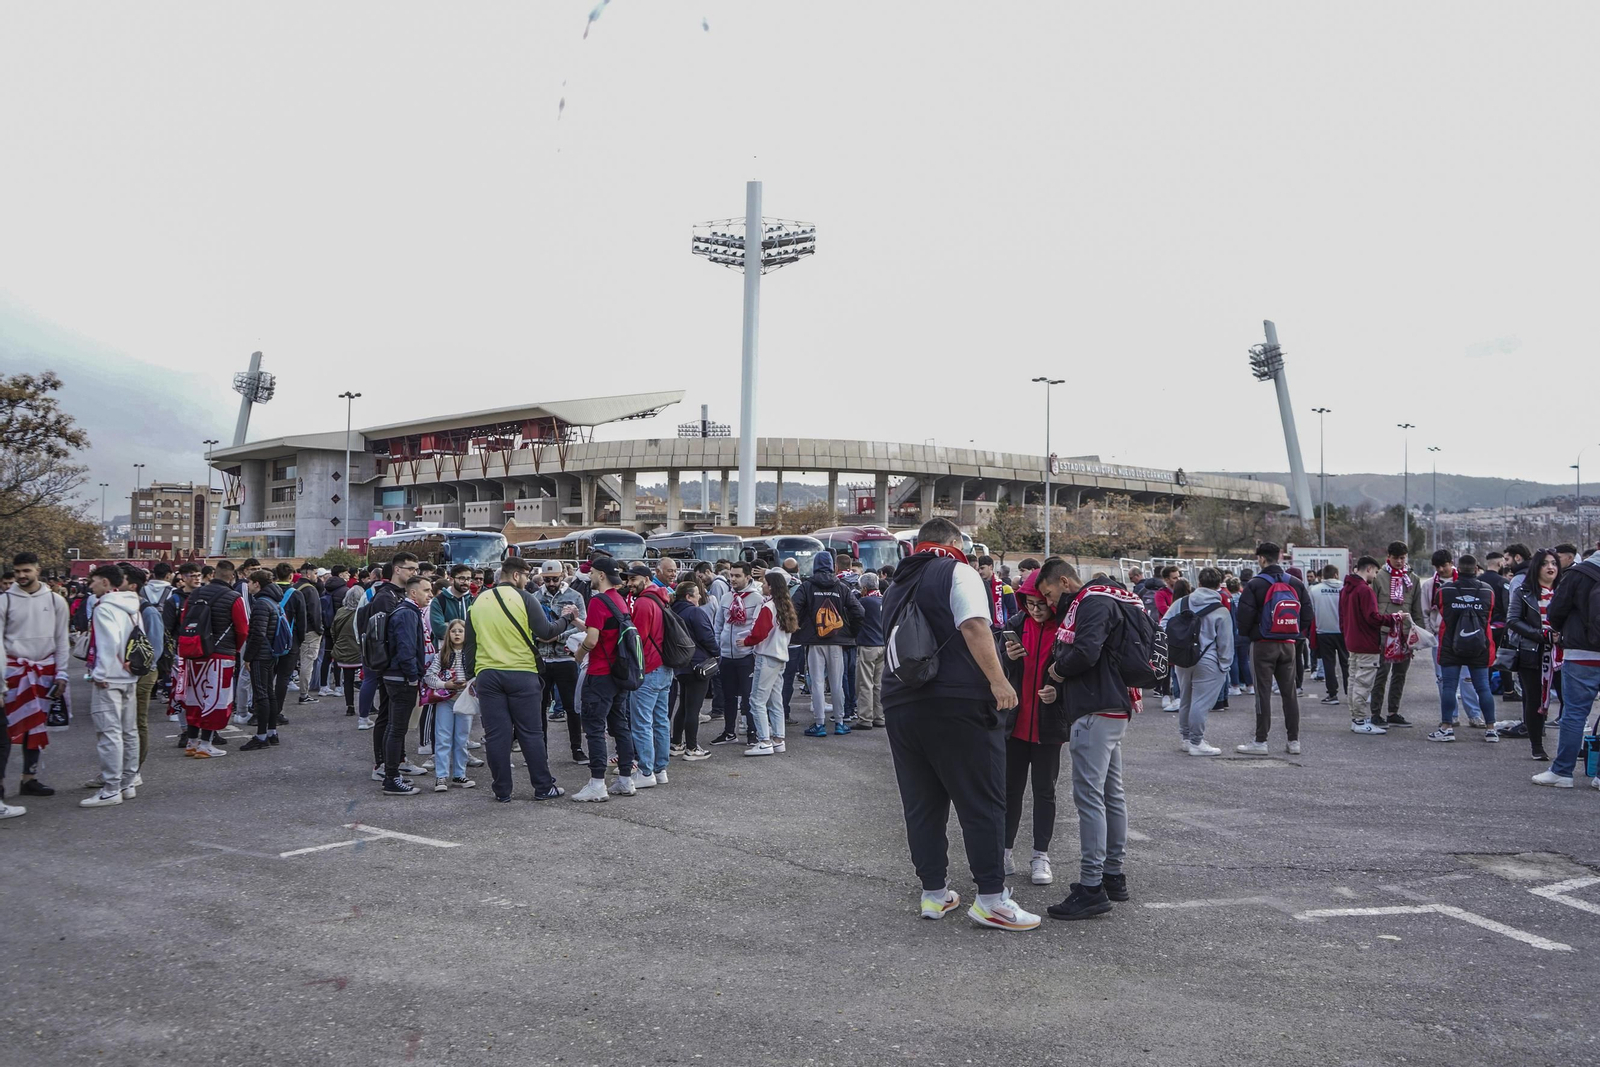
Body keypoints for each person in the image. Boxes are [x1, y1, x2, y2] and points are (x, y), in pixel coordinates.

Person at [883, 518, 1037, 931]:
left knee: (922, 804)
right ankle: (991, 899)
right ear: (954, 543)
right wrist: (999, 681)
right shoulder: (958, 569)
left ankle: (934, 893)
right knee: (982, 799)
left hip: (902, 703)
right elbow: (972, 625)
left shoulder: (897, 582)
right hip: (957, 701)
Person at [1043, 561, 1139, 920]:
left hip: (1095, 709)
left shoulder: (1091, 601)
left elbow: (1085, 652)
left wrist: (1057, 670)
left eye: (1050, 594)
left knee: (1090, 800)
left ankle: (1091, 886)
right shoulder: (1113, 596)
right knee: (1111, 795)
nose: (1051, 604)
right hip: (1114, 705)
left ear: (1064, 581)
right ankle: (1112, 876)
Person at [464, 556, 568, 801]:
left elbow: (470, 644)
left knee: (496, 736)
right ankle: (543, 787)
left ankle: (502, 791)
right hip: (522, 674)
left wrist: (473, 676)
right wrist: (566, 619)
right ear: (517, 575)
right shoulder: (525, 598)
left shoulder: (478, 601)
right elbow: (545, 632)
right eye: (527, 575)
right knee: (531, 733)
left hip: (488, 676)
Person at [997, 566, 1067, 884]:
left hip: (1048, 726)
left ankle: (1041, 855)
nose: (1035, 610)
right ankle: (1005, 851)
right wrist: (1008, 657)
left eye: (1041, 603)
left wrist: (1058, 691)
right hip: (1015, 724)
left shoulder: (1065, 628)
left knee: (1044, 792)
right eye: (1029, 603)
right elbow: (999, 671)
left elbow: (1077, 671)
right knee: (1010, 791)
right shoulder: (1015, 624)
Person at [2, 552, 70, 800]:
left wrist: (62, 673)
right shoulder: (5, 601)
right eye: (18, 571)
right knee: (5, 730)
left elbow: (62, 640)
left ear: (37, 571)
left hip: (44, 671)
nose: (21, 575)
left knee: (35, 726)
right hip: (12, 672)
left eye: (26, 570)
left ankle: (29, 779)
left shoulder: (55, 601)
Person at [1234, 543, 1311, 755]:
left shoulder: (1255, 584)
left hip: (1263, 645)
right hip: (1289, 645)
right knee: (1290, 693)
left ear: (1260, 558)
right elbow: (1307, 615)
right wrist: (1293, 632)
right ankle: (1293, 741)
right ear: (1279, 556)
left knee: (1263, 693)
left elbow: (1244, 617)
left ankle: (1261, 741)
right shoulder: (1295, 583)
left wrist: (1253, 634)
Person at [573, 557, 641, 801]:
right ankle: (625, 779)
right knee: (620, 726)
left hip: (600, 673)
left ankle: (597, 784)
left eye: (591, 572)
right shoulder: (619, 600)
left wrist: (578, 655)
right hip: (619, 674)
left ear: (601, 575)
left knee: (594, 729)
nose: (589, 576)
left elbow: (592, 640)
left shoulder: (598, 601)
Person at [1534, 547, 1600, 787]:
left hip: (1581, 653)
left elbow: (1555, 612)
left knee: (1574, 714)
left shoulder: (1577, 573)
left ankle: (1562, 772)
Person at [80, 565, 142, 808]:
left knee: (109, 733)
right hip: (129, 674)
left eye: (93, 580)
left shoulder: (104, 608)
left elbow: (108, 642)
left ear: (105, 582)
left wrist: (100, 672)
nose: (90, 585)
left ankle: (111, 788)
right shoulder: (133, 606)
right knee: (129, 731)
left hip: (110, 677)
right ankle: (127, 783)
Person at [176, 560, 249, 758]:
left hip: (194, 652)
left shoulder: (195, 594)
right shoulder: (234, 597)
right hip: (221, 654)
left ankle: (191, 742)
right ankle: (206, 744)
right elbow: (242, 629)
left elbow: (184, 621)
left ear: (213, 574)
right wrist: (235, 649)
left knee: (195, 698)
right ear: (231, 576)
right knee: (216, 700)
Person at [791, 551, 864, 738]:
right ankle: (840, 722)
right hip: (837, 640)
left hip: (815, 641)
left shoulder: (806, 586)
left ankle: (819, 723)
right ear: (833, 566)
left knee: (816, 682)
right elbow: (858, 611)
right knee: (837, 683)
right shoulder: (841, 587)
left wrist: (801, 629)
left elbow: (793, 609)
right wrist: (850, 632)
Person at [1163, 567, 1234, 756]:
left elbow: (1163, 625)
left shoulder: (1181, 602)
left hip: (1182, 657)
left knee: (1185, 698)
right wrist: (1224, 666)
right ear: (1219, 586)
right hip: (1209, 659)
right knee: (1201, 702)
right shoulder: (1221, 610)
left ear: (1199, 583)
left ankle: (1186, 738)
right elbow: (1226, 642)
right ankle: (1197, 741)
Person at [1431, 554, 1499, 744]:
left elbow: (1441, 609)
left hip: (1451, 645)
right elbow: (1490, 613)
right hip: (1480, 645)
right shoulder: (1488, 591)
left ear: (1457, 569)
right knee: (1483, 687)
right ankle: (1491, 729)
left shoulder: (1445, 590)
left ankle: (1446, 728)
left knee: (1449, 687)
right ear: (1476, 569)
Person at [1340, 557, 1407, 735]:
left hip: (1352, 642)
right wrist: (1395, 618)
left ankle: (1356, 718)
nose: (1376, 576)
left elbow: (1342, 616)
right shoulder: (1365, 591)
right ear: (1369, 569)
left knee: (1353, 681)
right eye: (1376, 572)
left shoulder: (1346, 589)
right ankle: (1361, 720)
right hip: (1367, 644)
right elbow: (1373, 618)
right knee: (1363, 683)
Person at [376, 575, 430, 796]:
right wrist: (412, 676)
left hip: (395, 675)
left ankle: (393, 773)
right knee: (397, 728)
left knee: (394, 727)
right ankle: (390, 778)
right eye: (426, 590)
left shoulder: (404, 610)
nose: (430, 594)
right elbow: (406, 648)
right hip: (401, 678)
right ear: (413, 593)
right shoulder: (408, 613)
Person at [1507, 549, 1562, 761]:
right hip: (1532, 652)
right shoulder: (1523, 591)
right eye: (1545, 563)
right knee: (1534, 699)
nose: (1551, 567)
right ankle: (1537, 745)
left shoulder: (1564, 591)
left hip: (1562, 654)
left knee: (1568, 700)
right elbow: (1513, 620)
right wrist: (1541, 635)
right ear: (1536, 567)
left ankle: (1572, 747)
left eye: (1554, 563)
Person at [1423, 549, 1485, 729]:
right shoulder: (1429, 586)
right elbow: (1426, 612)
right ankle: (1451, 715)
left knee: (1467, 679)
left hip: (1466, 636)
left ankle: (1474, 714)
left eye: (1444, 565)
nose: (1441, 569)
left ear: (1452, 563)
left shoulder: (1467, 583)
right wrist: (1431, 634)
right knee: (1443, 679)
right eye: (1437, 566)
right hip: (1440, 637)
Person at [533, 560, 587, 765]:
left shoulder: (575, 596)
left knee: (572, 707)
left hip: (565, 658)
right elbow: (527, 623)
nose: (551, 583)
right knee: (539, 708)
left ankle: (577, 748)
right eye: (547, 580)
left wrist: (557, 637)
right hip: (543, 658)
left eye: (555, 579)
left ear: (563, 575)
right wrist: (540, 636)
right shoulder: (535, 597)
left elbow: (583, 625)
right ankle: (541, 751)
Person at [740, 572, 797, 756]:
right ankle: (778, 739)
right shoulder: (785, 607)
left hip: (766, 655)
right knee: (775, 700)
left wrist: (747, 641)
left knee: (756, 700)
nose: (762, 585)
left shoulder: (768, 607)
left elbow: (760, 632)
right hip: (780, 656)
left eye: (764, 583)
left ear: (771, 586)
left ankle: (764, 740)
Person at [626, 563, 673, 787]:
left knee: (642, 723)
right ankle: (660, 769)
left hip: (649, 667)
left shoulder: (644, 603)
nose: (629, 584)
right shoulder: (661, 598)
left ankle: (646, 772)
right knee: (661, 721)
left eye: (633, 579)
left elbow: (638, 640)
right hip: (665, 667)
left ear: (646, 578)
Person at [1367, 542, 1424, 727]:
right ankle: (1375, 712)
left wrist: (1418, 633)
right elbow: (1372, 606)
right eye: (1396, 558)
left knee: (1400, 674)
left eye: (1403, 558)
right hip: (1384, 631)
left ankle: (1393, 712)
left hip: (1405, 632)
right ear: (1388, 557)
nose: (1400, 561)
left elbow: (1417, 609)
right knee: (1381, 673)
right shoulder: (1378, 577)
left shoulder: (1413, 579)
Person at [710, 562, 763, 747]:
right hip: (726, 655)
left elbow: (757, 627)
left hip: (746, 655)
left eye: (737, 576)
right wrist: (717, 648)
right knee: (728, 695)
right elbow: (718, 625)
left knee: (748, 697)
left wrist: (752, 649)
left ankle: (752, 732)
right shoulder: (725, 598)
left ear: (748, 577)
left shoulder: (757, 599)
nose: (733, 579)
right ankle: (729, 731)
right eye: (731, 575)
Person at [238, 568, 292, 751]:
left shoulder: (261, 603)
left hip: (261, 654)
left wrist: (248, 657)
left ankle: (261, 736)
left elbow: (257, 633)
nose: (247, 585)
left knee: (261, 695)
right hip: (271, 653)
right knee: (269, 692)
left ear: (257, 584)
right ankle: (271, 732)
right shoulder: (274, 601)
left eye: (250, 582)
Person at [669, 580, 718, 762]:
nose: (700, 596)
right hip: (698, 664)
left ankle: (676, 743)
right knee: (693, 708)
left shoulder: (672, 611)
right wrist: (716, 653)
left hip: (680, 665)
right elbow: (707, 636)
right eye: (697, 593)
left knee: (683, 705)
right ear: (689, 596)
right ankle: (691, 747)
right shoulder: (695, 612)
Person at [425, 619, 474, 791]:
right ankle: (441, 776)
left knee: (462, 739)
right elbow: (429, 676)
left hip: (465, 700)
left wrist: (469, 683)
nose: (457, 634)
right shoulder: (441, 655)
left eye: (461, 631)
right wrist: (445, 685)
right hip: (445, 700)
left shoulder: (472, 654)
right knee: (443, 738)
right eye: (454, 631)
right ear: (448, 634)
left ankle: (460, 774)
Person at [1308, 564, 1346, 705]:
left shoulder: (1314, 590)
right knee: (1347, 663)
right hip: (1343, 631)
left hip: (1323, 631)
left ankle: (1332, 694)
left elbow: (1311, 610)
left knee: (1328, 664)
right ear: (1336, 575)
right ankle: (1350, 693)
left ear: (1323, 576)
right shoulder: (1345, 588)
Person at [853, 572, 887, 729]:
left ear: (865, 588)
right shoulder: (884, 600)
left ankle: (865, 718)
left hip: (868, 645)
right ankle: (879, 716)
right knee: (878, 683)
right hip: (882, 644)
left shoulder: (864, 602)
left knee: (865, 683)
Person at [291, 563, 324, 706]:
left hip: (294, 630)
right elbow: (315, 613)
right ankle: (304, 694)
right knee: (307, 662)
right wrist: (319, 629)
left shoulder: (293, 588)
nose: (317, 576)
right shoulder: (311, 590)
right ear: (308, 574)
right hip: (310, 631)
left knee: (296, 661)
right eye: (315, 573)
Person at [329, 585, 363, 718]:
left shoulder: (340, 612)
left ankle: (350, 706)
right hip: (359, 652)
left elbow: (333, 631)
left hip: (343, 651)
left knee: (347, 680)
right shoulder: (362, 613)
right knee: (367, 680)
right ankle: (369, 705)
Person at [430, 564, 475, 646]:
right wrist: (465, 629)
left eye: (468, 579)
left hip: (468, 650)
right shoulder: (439, 601)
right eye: (462, 578)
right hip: (445, 651)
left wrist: (450, 626)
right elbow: (438, 629)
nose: (466, 582)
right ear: (451, 579)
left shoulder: (473, 601)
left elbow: (478, 627)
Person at [976, 555, 1016, 629]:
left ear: (990, 567)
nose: (980, 572)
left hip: (1000, 631)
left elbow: (1013, 612)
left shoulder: (1005, 588)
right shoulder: (977, 587)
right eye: (978, 569)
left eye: (982, 568)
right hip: (983, 629)